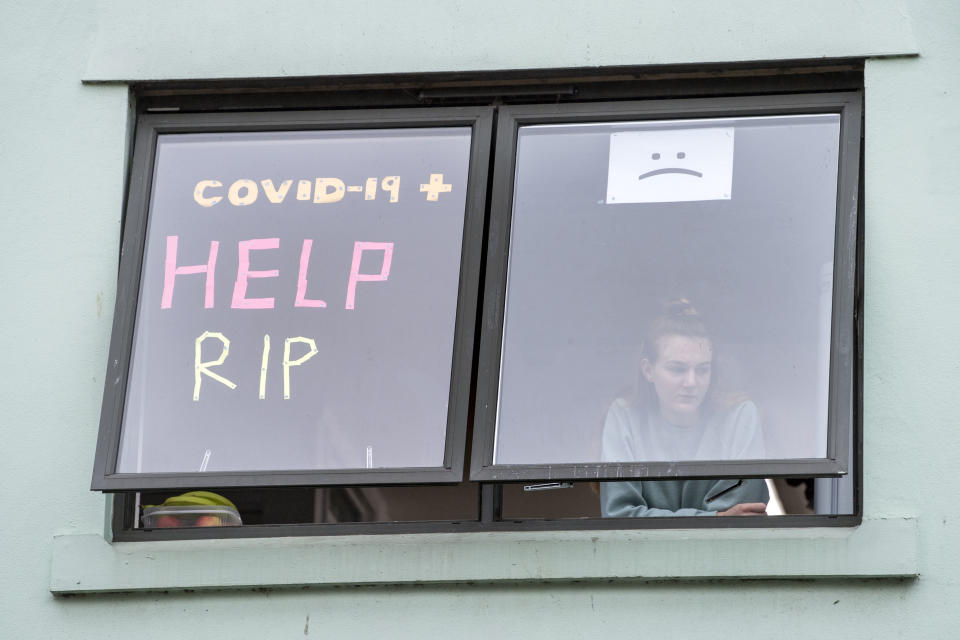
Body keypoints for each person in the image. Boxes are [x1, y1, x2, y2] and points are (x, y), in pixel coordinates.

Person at [600, 299, 769, 517]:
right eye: (677, 369)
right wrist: (714, 518)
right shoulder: (625, 417)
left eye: (702, 370)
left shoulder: (739, 417)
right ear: (648, 370)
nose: (691, 382)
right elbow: (620, 515)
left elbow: (744, 513)